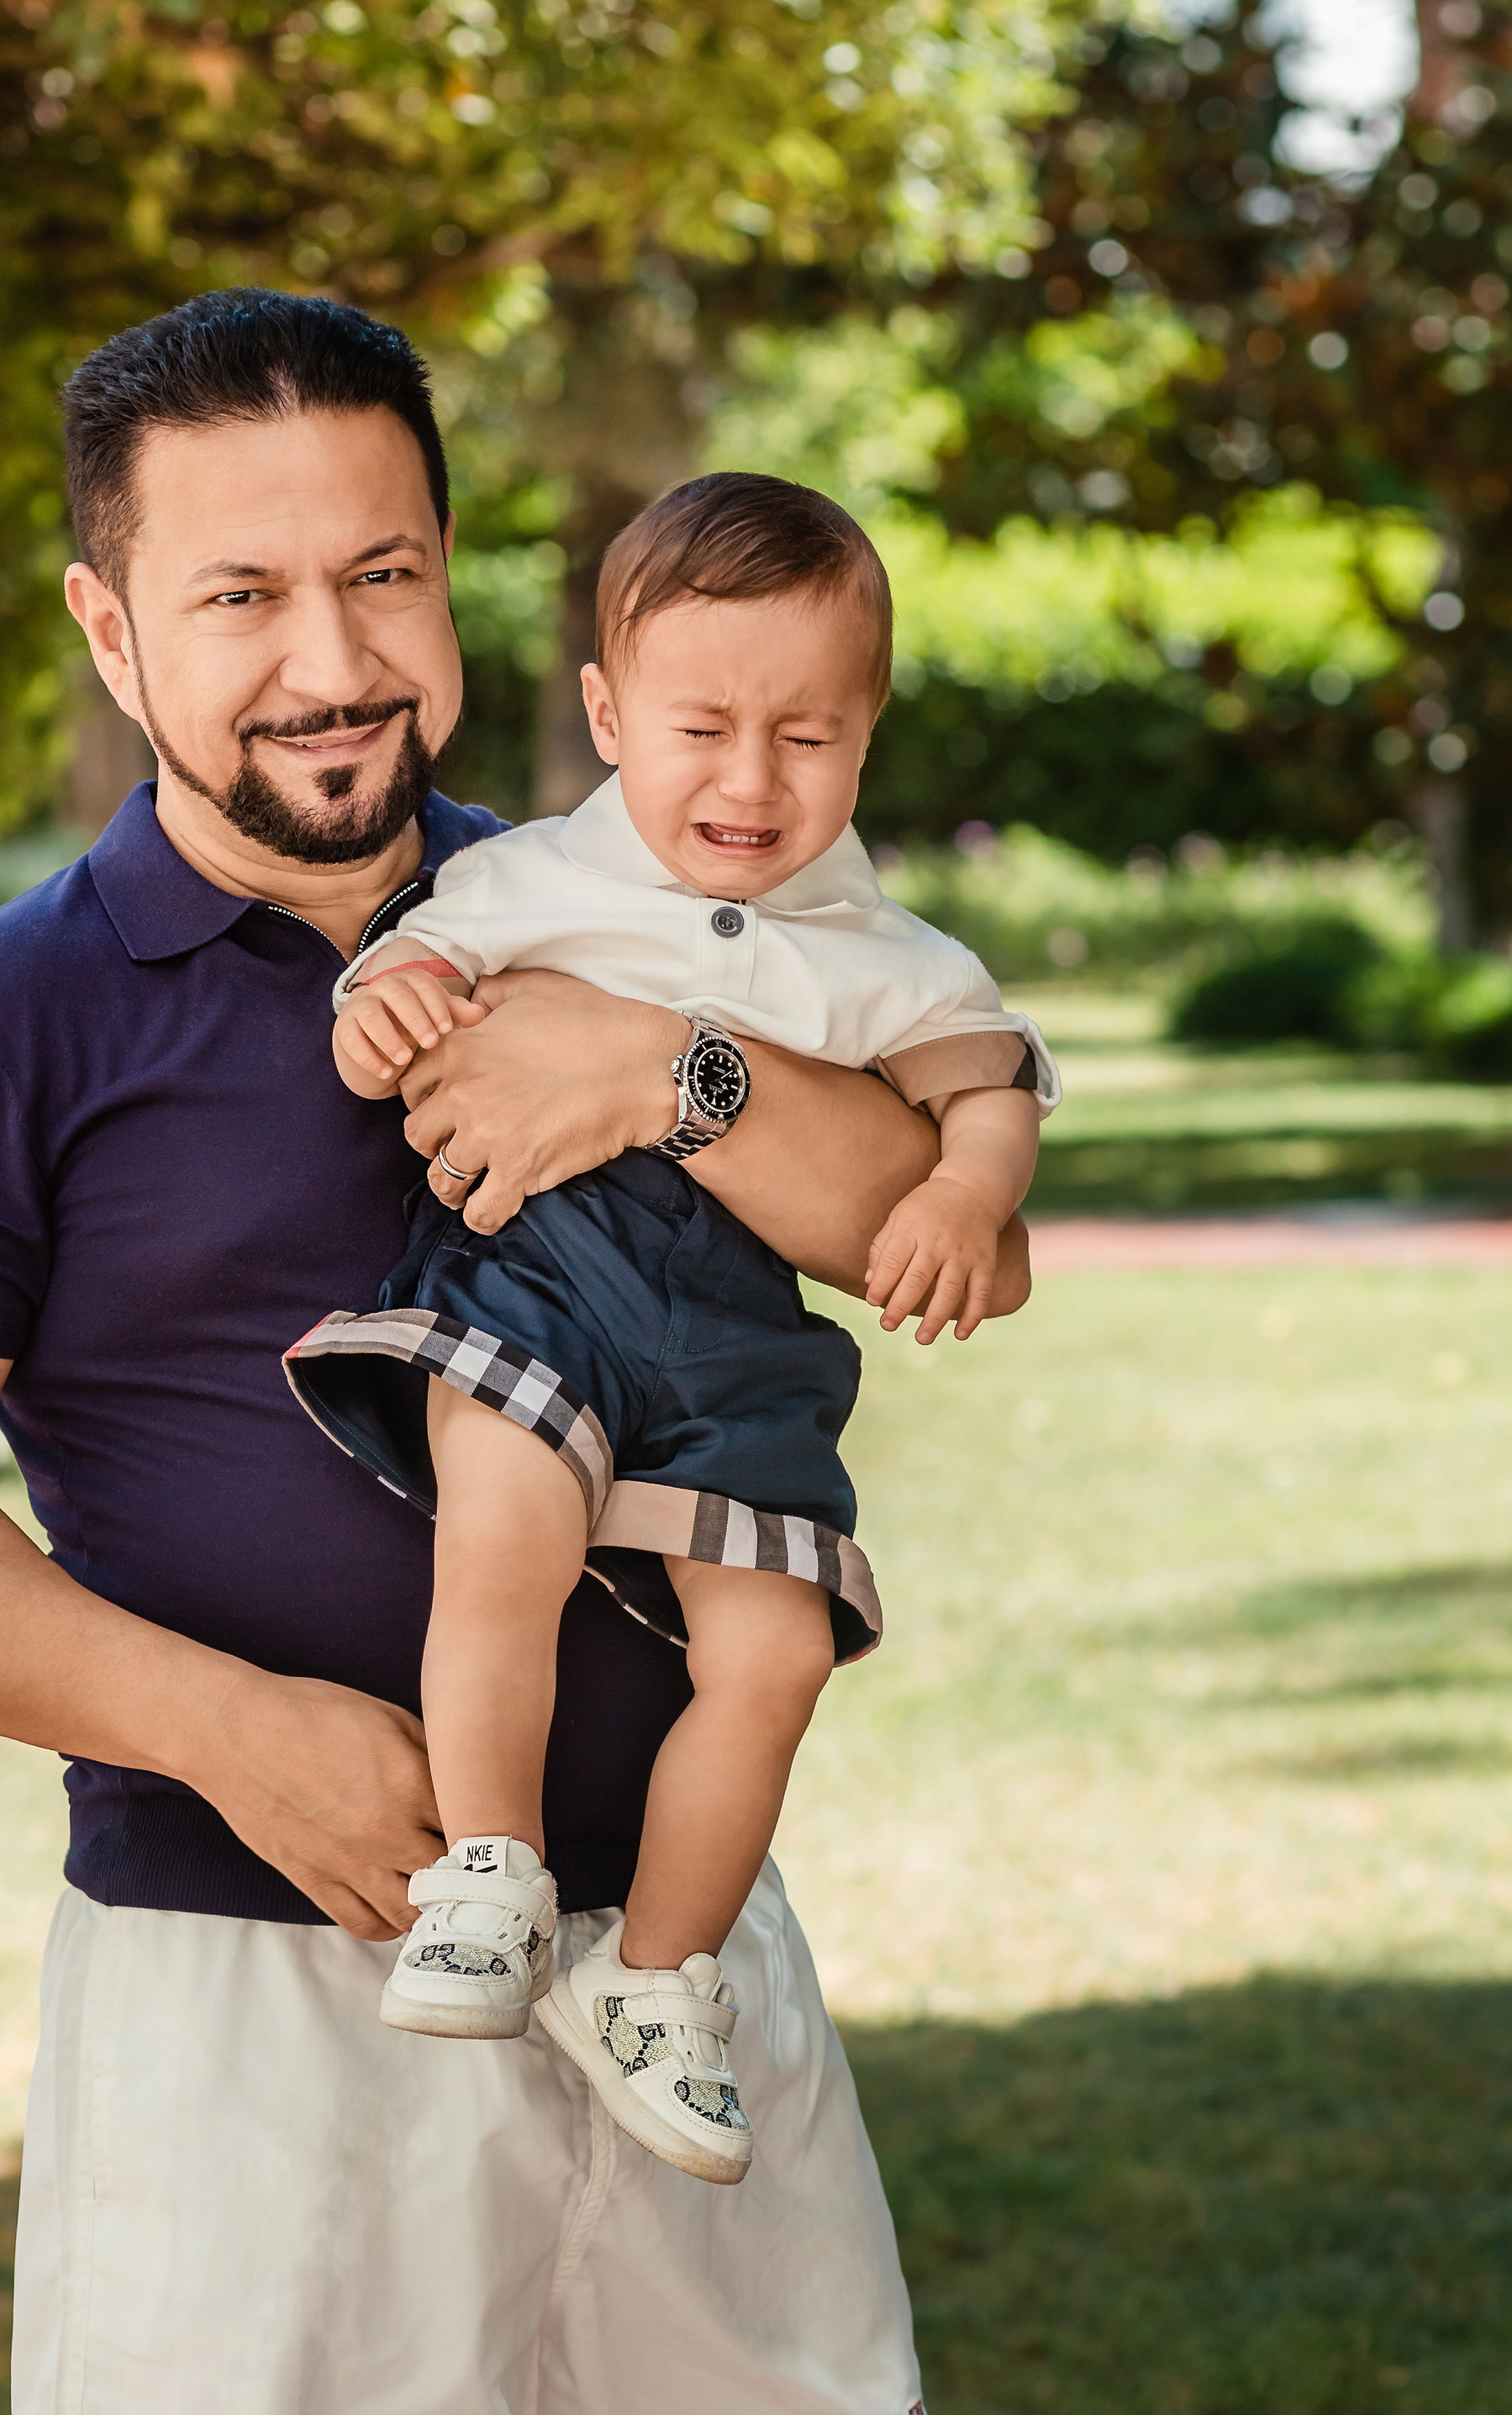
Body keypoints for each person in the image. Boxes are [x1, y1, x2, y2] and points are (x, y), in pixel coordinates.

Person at [0, 287, 1021, 2415]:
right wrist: (235, 1728)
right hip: (273, 1971)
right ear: (111, 629)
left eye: (388, 575)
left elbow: (909, 1215)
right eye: (241, 597)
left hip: (673, 1950)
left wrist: (657, 1059)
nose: (333, 659)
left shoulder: (628, 885)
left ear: (461, 584)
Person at [290, 473, 1056, 2186]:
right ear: (605, 712)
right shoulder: (527, 884)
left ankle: (653, 1979)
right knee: (501, 1523)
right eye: (699, 725)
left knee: (776, 1654)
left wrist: (959, 1191)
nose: (748, 779)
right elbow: (378, 1013)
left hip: (729, 1348)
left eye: (808, 733)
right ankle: (487, 1871)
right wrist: (389, 1008)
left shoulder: (877, 949)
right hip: (539, 1285)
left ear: (866, 737)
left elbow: (985, 1087)